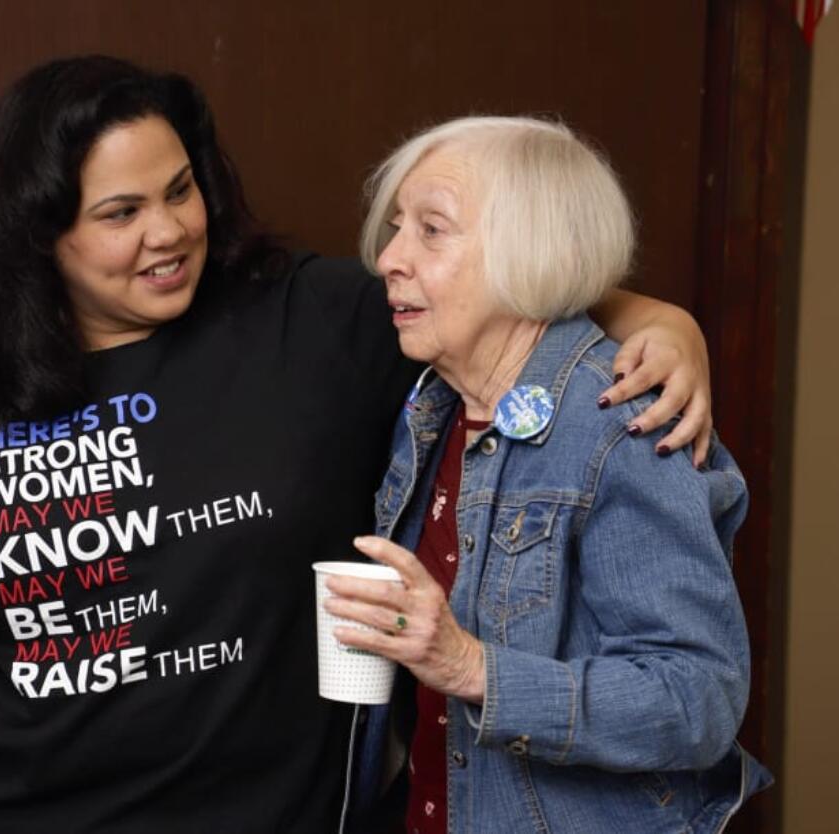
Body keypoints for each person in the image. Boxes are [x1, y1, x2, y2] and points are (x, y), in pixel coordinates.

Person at [0, 58, 717, 833]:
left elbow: (503, 295)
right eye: (120, 214)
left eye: (180, 191)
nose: (169, 231)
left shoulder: (307, 321)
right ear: (36, 237)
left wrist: (667, 324)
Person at [325, 116, 771, 834]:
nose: (389, 259)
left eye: (431, 230)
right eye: (396, 227)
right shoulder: (429, 409)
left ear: (527, 253)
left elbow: (699, 702)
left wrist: (473, 669)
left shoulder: (619, 424)